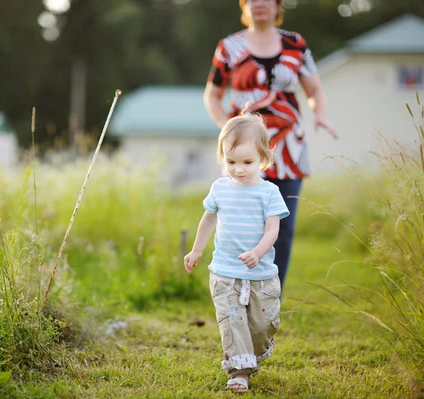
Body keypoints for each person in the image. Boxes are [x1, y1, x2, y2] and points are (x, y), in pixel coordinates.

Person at [203, 0, 338, 291]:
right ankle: (236, 291)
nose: (259, 3)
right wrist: (227, 131)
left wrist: (321, 114)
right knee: (239, 221)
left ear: (278, 6)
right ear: (244, 6)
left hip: (290, 149)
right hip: (243, 152)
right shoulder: (229, 47)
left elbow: (314, 90)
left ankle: (270, 296)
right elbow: (212, 96)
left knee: (283, 227)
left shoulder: (296, 44)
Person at [184, 115, 289, 393]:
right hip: (225, 272)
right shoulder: (220, 188)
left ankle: (254, 352)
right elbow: (208, 220)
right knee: (233, 322)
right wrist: (196, 250)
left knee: (261, 326)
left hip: (261, 274)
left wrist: (257, 252)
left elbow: (272, 231)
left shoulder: (269, 193)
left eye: (247, 162)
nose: (239, 170)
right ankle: (239, 372)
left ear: (263, 159)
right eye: (231, 162)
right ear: (222, 158)